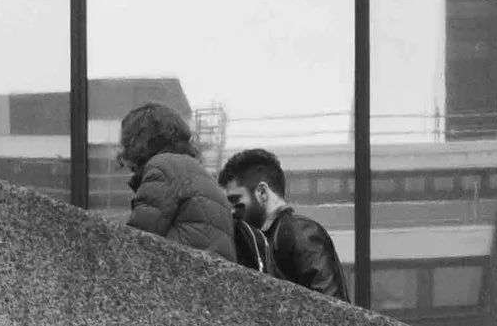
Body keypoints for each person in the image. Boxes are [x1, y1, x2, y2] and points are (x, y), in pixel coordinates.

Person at [219, 146, 350, 299]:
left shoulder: (302, 234)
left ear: (262, 192)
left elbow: (331, 304)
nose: (233, 211)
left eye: (236, 200)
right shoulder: (255, 240)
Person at [119, 101, 240, 264]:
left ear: (138, 140)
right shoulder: (197, 172)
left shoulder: (163, 166)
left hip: (181, 274)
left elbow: (137, 241)